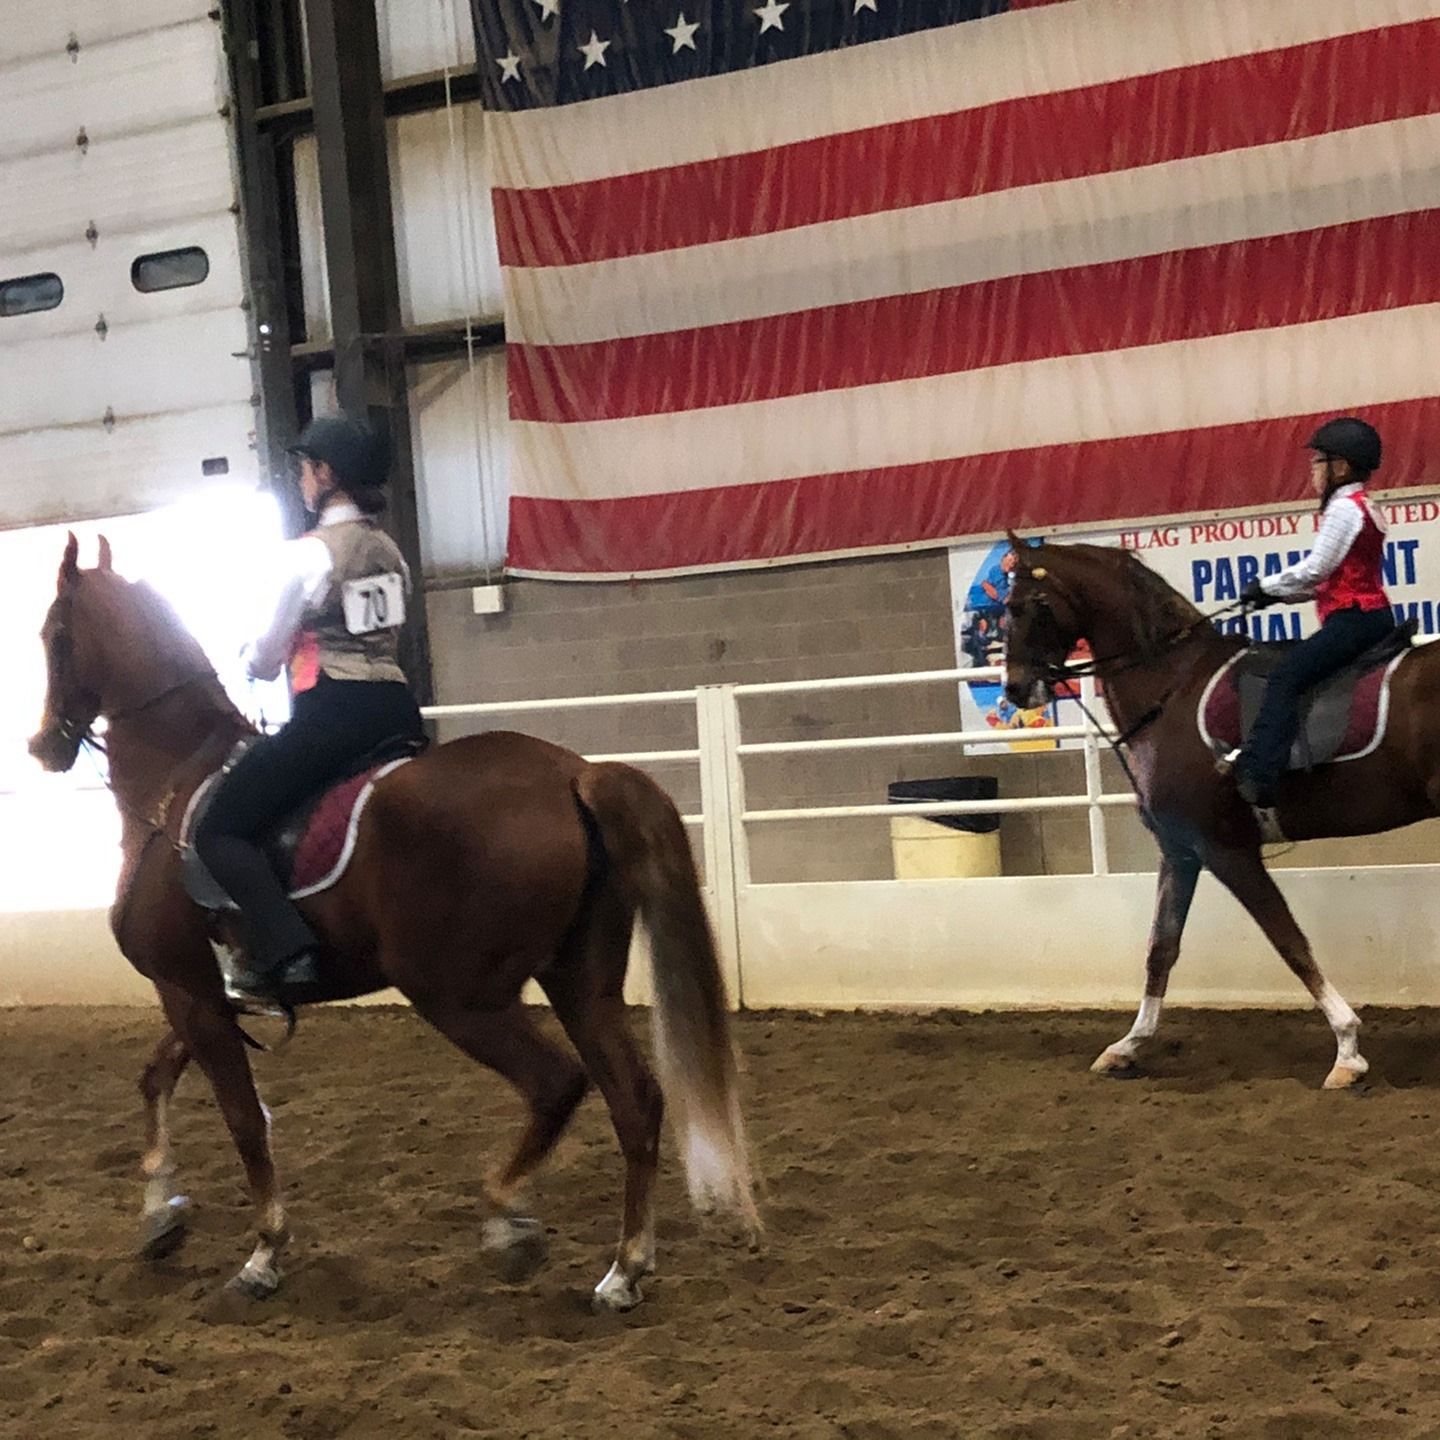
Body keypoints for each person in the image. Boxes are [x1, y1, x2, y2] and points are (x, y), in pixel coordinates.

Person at [194, 415, 426, 1009]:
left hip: (333, 711)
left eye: (304, 469)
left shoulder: (307, 556)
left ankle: (288, 948)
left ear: (326, 475)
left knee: (222, 828)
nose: (299, 480)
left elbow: (269, 660)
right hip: (396, 710)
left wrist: (249, 657)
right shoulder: (390, 552)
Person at [1234, 416, 1395, 809]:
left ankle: (1260, 773)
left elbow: (1315, 569)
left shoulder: (1343, 509)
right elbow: (1330, 580)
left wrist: (1266, 586)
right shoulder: (1362, 506)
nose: (1312, 473)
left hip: (1353, 620)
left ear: (1340, 467)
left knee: (1286, 677)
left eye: (1317, 463)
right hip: (1371, 615)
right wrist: (1278, 599)